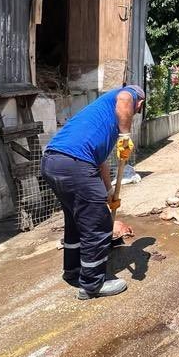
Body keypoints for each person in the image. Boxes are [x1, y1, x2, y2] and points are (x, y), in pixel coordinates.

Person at [41, 84, 144, 300]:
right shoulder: (127, 96)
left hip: (53, 162)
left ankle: (73, 271)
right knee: (98, 224)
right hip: (75, 163)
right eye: (137, 110)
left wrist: (108, 192)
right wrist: (126, 135)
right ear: (139, 104)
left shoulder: (101, 121)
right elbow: (126, 97)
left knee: (76, 222)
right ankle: (92, 285)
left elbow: (100, 164)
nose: (133, 113)